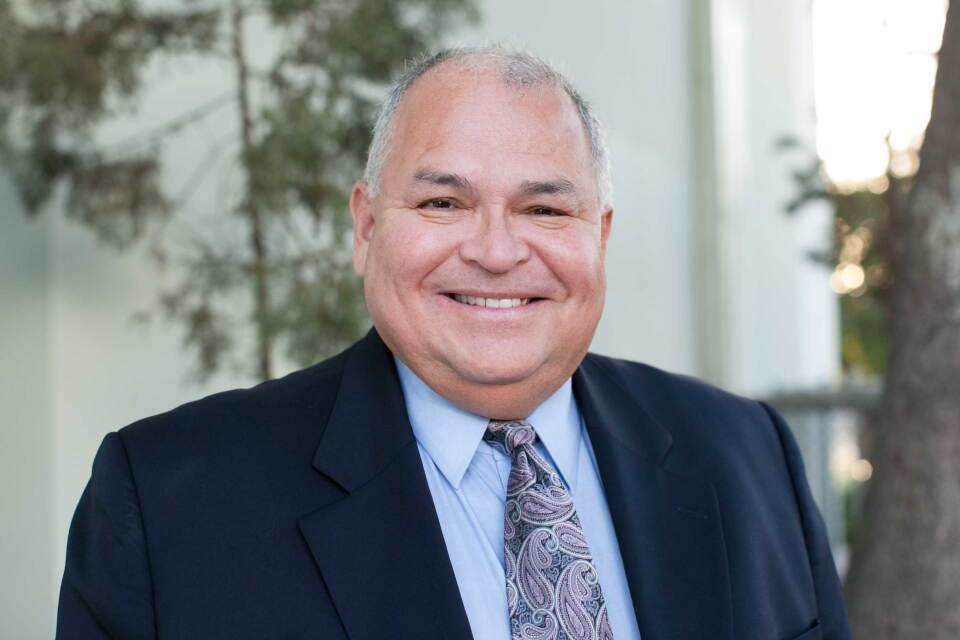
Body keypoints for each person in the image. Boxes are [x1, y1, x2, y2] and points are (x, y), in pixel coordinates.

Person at [57, 47, 851, 640]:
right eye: (444, 202)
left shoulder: (748, 458)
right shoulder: (167, 505)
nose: (498, 251)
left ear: (599, 237)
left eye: (546, 210)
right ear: (367, 228)